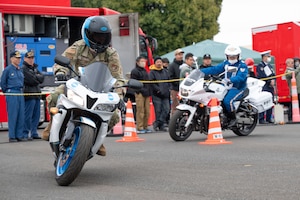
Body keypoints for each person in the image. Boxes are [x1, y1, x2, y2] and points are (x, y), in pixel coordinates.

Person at [43, 16, 125, 156]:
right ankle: (51, 126)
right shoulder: (78, 47)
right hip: (77, 85)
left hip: (100, 90)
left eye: (103, 37)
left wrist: (119, 96)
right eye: (96, 36)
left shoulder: (111, 53)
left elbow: (118, 77)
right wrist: (61, 72)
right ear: (87, 34)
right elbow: (61, 62)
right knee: (55, 96)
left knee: (114, 116)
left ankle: (97, 137)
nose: (100, 40)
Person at [201, 44, 248, 127]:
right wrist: (200, 71)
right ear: (227, 56)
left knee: (227, 101)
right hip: (225, 86)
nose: (232, 58)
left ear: (238, 56)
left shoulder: (242, 65)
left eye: (234, 56)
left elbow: (241, 77)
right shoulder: (225, 64)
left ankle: (233, 118)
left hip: (237, 88)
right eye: (230, 56)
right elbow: (214, 69)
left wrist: (231, 80)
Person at [0, 51, 25, 142]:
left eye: (19, 58)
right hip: (12, 92)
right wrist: (7, 92)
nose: (18, 60)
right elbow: (3, 83)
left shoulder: (20, 69)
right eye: (16, 58)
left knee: (21, 115)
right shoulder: (8, 70)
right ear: (11, 59)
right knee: (13, 115)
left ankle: (19, 135)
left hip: (20, 92)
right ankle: (12, 136)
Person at [22, 50, 44, 140]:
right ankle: (25, 133)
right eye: (29, 58)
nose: (31, 60)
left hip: (36, 94)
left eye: (32, 58)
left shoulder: (34, 68)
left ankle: (34, 132)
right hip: (29, 95)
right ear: (25, 59)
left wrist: (36, 77)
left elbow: (42, 78)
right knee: (28, 116)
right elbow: (32, 80)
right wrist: (37, 77)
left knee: (36, 116)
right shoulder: (24, 68)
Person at [130, 56, 152, 134]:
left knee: (147, 111)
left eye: (144, 61)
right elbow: (133, 83)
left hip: (147, 92)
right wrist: (140, 90)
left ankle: (145, 126)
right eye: (142, 61)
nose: (144, 62)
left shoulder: (145, 71)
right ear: (137, 62)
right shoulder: (135, 71)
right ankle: (140, 127)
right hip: (139, 92)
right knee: (140, 110)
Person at [149, 57, 170, 131]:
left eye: (160, 62)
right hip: (156, 94)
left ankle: (158, 122)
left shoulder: (165, 71)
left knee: (167, 109)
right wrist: (157, 90)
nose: (159, 63)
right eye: (157, 62)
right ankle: (161, 125)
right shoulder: (152, 72)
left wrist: (168, 89)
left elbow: (169, 81)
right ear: (155, 63)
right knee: (158, 110)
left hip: (165, 94)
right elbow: (151, 83)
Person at [256, 50, 275, 124]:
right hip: (264, 86)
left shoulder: (269, 66)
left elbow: (273, 74)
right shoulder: (260, 66)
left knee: (270, 101)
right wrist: (269, 81)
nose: (268, 58)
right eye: (267, 56)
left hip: (270, 86)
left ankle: (268, 118)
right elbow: (262, 75)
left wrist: (273, 80)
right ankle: (261, 118)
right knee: (263, 101)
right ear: (264, 57)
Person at [168, 49, 184, 116]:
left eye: (181, 54)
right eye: (179, 54)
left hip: (183, 89)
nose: (181, 56)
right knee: (175, 106)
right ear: (175, 55)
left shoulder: (184, 65)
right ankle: (174, 122)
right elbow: (170, 77)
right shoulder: (172, 65)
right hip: (175, 89)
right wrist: (177, 83)